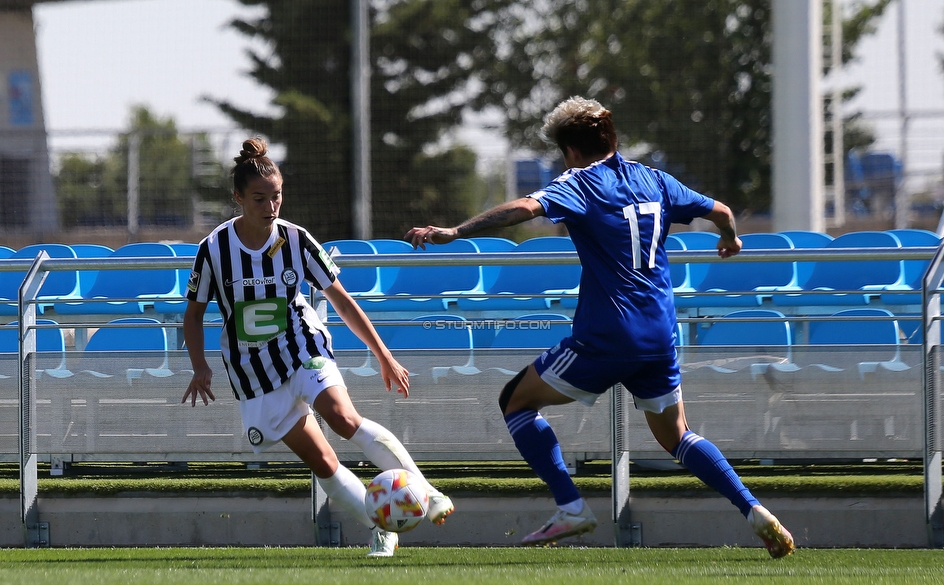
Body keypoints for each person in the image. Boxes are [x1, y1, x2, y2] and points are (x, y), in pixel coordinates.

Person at [405, 97, 794, 558]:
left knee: (516, 401)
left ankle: (571, 507)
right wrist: (729, 240)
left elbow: (524, 209)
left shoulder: (580, 183)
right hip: (659, 333)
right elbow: (723, 211)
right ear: (612, 139)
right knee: (677, 436)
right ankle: (753, 510)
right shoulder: (656, 180)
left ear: (570, 151)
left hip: (608, 334)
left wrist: (454, 232)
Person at [182, 138, 454, 557]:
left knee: (344, 419)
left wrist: (383, 354)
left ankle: (428, 492)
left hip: (302, 345)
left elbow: (342, 299)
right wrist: (200, 366)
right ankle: (381, 525)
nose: (270, 207)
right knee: (323, 462)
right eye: (259, 199)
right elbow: (194, 314)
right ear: (237, 197)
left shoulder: (296, 240)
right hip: (253, 371)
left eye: (276, 197)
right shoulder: (213, 250)